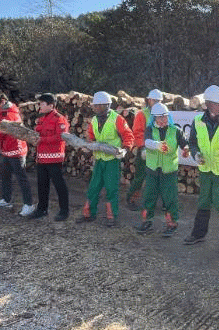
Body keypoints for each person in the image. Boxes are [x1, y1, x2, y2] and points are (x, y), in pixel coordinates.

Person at [184, 84, 219, 257]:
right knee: (203, 203)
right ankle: (198, 235)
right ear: (208, 104)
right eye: (217, 103)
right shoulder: (197, 121)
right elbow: (192, 143)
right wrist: (196, 154)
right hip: (205, 170)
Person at [78, 91, 134, 227]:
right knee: (93, 187)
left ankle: (111, 217)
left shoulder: (117, 119)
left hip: (112, 161)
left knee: (111, 189)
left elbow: (128, 135)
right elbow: (91, 136)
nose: (96, 108)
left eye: (98, 105)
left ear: (107, 105)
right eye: (95, 106)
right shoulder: (94, 120)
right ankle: (88, 214)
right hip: (99, 160)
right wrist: (88, 146)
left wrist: (125, 149)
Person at [136, 103, 189, 237]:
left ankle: (172, 224)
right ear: (154, 118)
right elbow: (147, 142)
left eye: (165, 116)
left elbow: (184, 143)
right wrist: (157, 145)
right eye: (160, 117)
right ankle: (147, 221)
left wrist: (186, 149)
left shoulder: (176, 130)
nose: (163, 119)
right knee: (149, 196)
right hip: (152, 170)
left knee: (170, 198)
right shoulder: (149, 130)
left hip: (169, 171)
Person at [27, 93, 70, 221]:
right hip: (42, 158)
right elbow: (38, 134)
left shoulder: (59, 119)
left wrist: (42, 140)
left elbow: (61, 137)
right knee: (42, 185)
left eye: (42, 103)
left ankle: (64, 211)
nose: (39, 106)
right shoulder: (42, 118)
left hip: (54, 158)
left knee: (59, 185)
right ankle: (42, 209)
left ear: (51, 105)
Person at [126, 89, 163, 210]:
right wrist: (142, 148)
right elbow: (137, 133)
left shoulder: (164, 114)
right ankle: (131, 199)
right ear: (149, 100)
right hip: (145, 151)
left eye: (159, 101)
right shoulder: (142, 114)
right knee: (140, 177)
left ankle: (154, 203)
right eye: (154, 100)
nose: (156, 103)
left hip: (158, 150)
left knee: (158, 178)